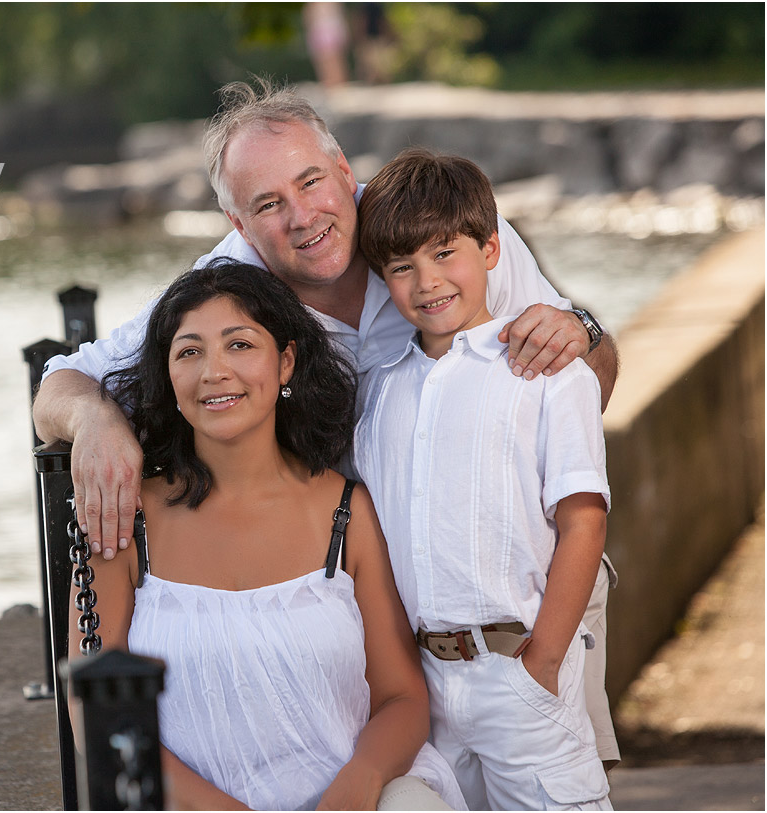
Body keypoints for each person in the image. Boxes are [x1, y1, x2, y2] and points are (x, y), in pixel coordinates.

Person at [34, 79, 621, 768]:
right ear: (237, 223)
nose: (302, 215)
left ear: (346, 171)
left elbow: (595, 376)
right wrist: (97, 419)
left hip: (525, 594)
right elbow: (59, 384)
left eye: (311, 181)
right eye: (268, 204)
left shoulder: (430, 229)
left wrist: (578, 330)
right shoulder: (228, 291)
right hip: (392, 610)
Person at [70, 258, 466, 810]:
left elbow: (402, 697)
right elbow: (94, 709)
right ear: (169, 378)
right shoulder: (122, 519)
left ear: (285, 362)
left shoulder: (347, 513)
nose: (214, 371)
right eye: (189, 351)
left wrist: (357, 786)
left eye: (239, 344)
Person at [353, 148, 611, 810]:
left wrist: (542, 662)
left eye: (445, 254)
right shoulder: (380, 393)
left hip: (516, 672)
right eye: (402, 267)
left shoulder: (548, 371)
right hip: (422, 691)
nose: (427, 281)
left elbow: (584, 518)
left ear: (492, 249)